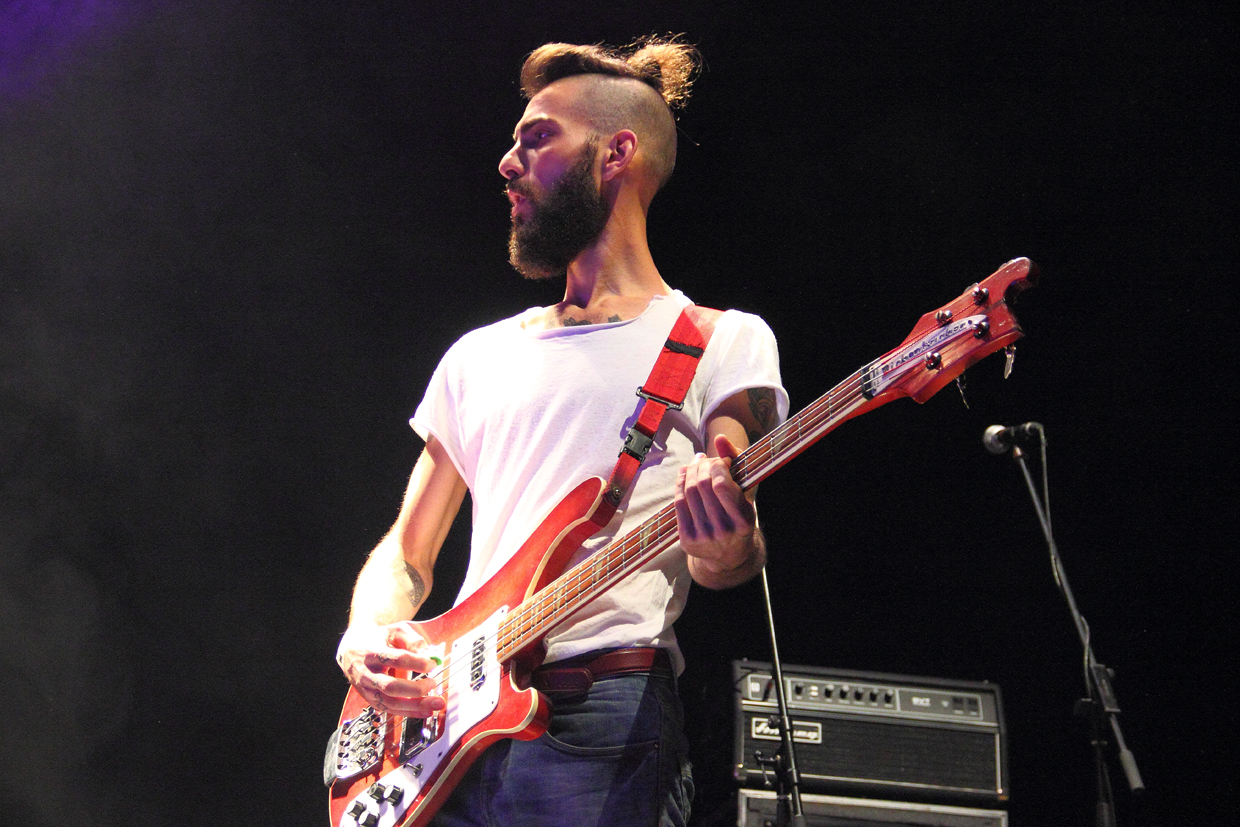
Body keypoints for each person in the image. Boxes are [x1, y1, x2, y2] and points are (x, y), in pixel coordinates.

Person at [335, 37, 788, 826]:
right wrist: (364, 634)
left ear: (617, 154)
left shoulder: (720, 339)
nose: (507, 162)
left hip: (601, 716)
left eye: (537, 138)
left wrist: (726, 541)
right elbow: (407, 552)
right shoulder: (477, 355)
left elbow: (727, 553)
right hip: (445, 726)